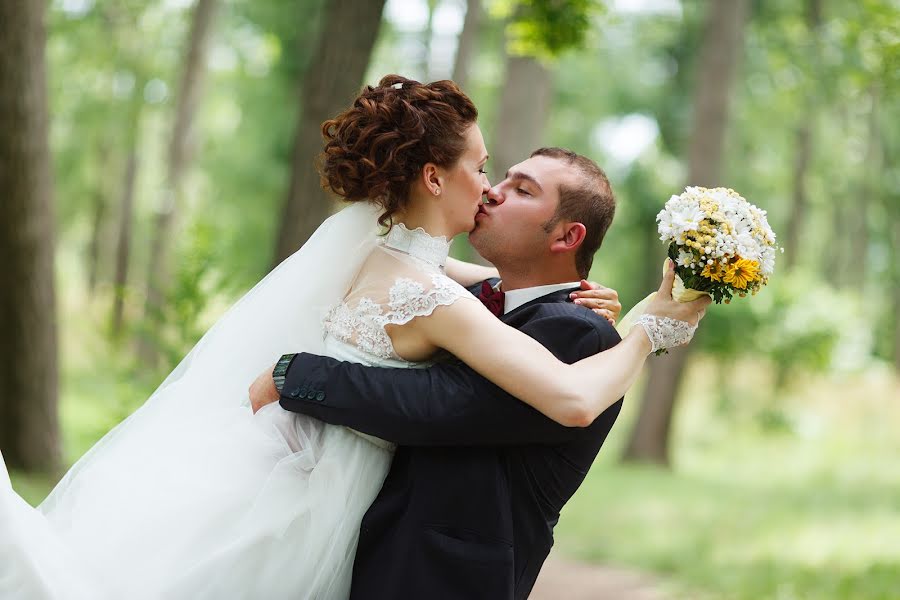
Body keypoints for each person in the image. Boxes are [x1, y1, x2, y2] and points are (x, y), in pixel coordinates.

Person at [0, 75, 707, 600]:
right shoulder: (426, 291)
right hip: (319, 497)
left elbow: (489, 300)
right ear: (434, 177)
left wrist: (602, 315)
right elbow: (556, 391)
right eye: (485, 168)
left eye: (508, 182)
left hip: (299, 479)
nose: (488, 187)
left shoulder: (385, 255)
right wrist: (650, 328)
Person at [249, 144, 707, 599]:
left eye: (522, 190)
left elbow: (437, 402)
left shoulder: (576, 332)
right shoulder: (491, 299)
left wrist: (299, 375)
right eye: (500, 177)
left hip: (442, 580)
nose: (493, 192)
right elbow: (426, 270)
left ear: (567, 238)